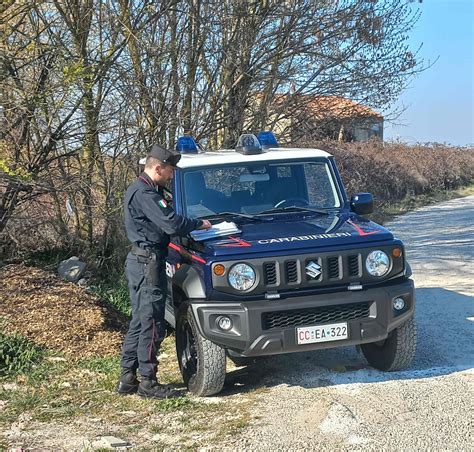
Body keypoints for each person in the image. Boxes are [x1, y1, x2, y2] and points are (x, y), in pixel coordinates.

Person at [117, 144, 211, 399]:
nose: (171, 176)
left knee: (139, 319)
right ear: (157, 168)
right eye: (169, 171)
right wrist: (199, 224)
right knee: (151, 321)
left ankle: (128, 377)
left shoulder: (149, 190)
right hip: (147, 262)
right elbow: (171, 222)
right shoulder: (145, 194)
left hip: (142, 260)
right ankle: (148, 382)